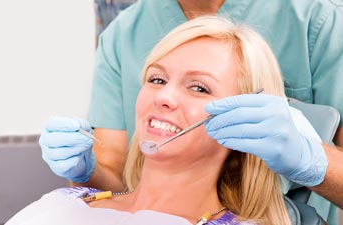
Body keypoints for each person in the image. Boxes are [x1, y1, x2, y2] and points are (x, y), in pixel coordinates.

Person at [39, 0, 343, 223]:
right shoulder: (124, 32)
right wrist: (84, 170)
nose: (165, 97)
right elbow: (112, 171)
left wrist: (312, 161)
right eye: (156, 79)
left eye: (199, 88)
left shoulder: (319, 21)